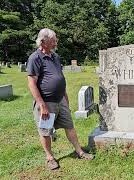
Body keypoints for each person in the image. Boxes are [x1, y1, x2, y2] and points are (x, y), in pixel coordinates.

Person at [27, 28, 94, 170]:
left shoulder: (55, 57)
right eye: (53, 40)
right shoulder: (35, 58)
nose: (55, 42)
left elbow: (60, 78)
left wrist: (66, 98)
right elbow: (32, 83)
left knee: (69, 126)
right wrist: (41, 104)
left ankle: (79, 151)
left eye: (55, 39)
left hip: (60, 100)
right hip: (46, 102)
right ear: (43, 41)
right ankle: (50, 157)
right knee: (45, 131)